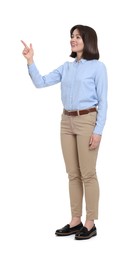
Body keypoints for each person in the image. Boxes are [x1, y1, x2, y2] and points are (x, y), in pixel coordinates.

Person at [21, 24, 108, 240]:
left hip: (87, 120)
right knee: (72, 174)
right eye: (71, 36)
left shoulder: (98, 67)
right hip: (66, 122)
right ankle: (75, 220)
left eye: (77, 36)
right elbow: (41, 83)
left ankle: (90, 222)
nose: (73, 39)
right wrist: (31, 61)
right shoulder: (66, 67)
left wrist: (98, 131)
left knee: (88, 173)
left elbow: (104, 102)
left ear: (88, 40)